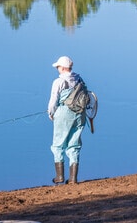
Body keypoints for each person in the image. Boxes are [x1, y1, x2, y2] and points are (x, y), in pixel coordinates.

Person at [47, 55, 87, 184]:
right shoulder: (79, 79)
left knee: (58, 144)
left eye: (58, 67)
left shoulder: (58, 82)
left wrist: (51, 113)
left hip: (64, 113)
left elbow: (53, 100)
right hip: (80, 114)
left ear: (63, 68)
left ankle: (59, 177)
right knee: (74, 144)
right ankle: (73, 179)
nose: (57, 69)